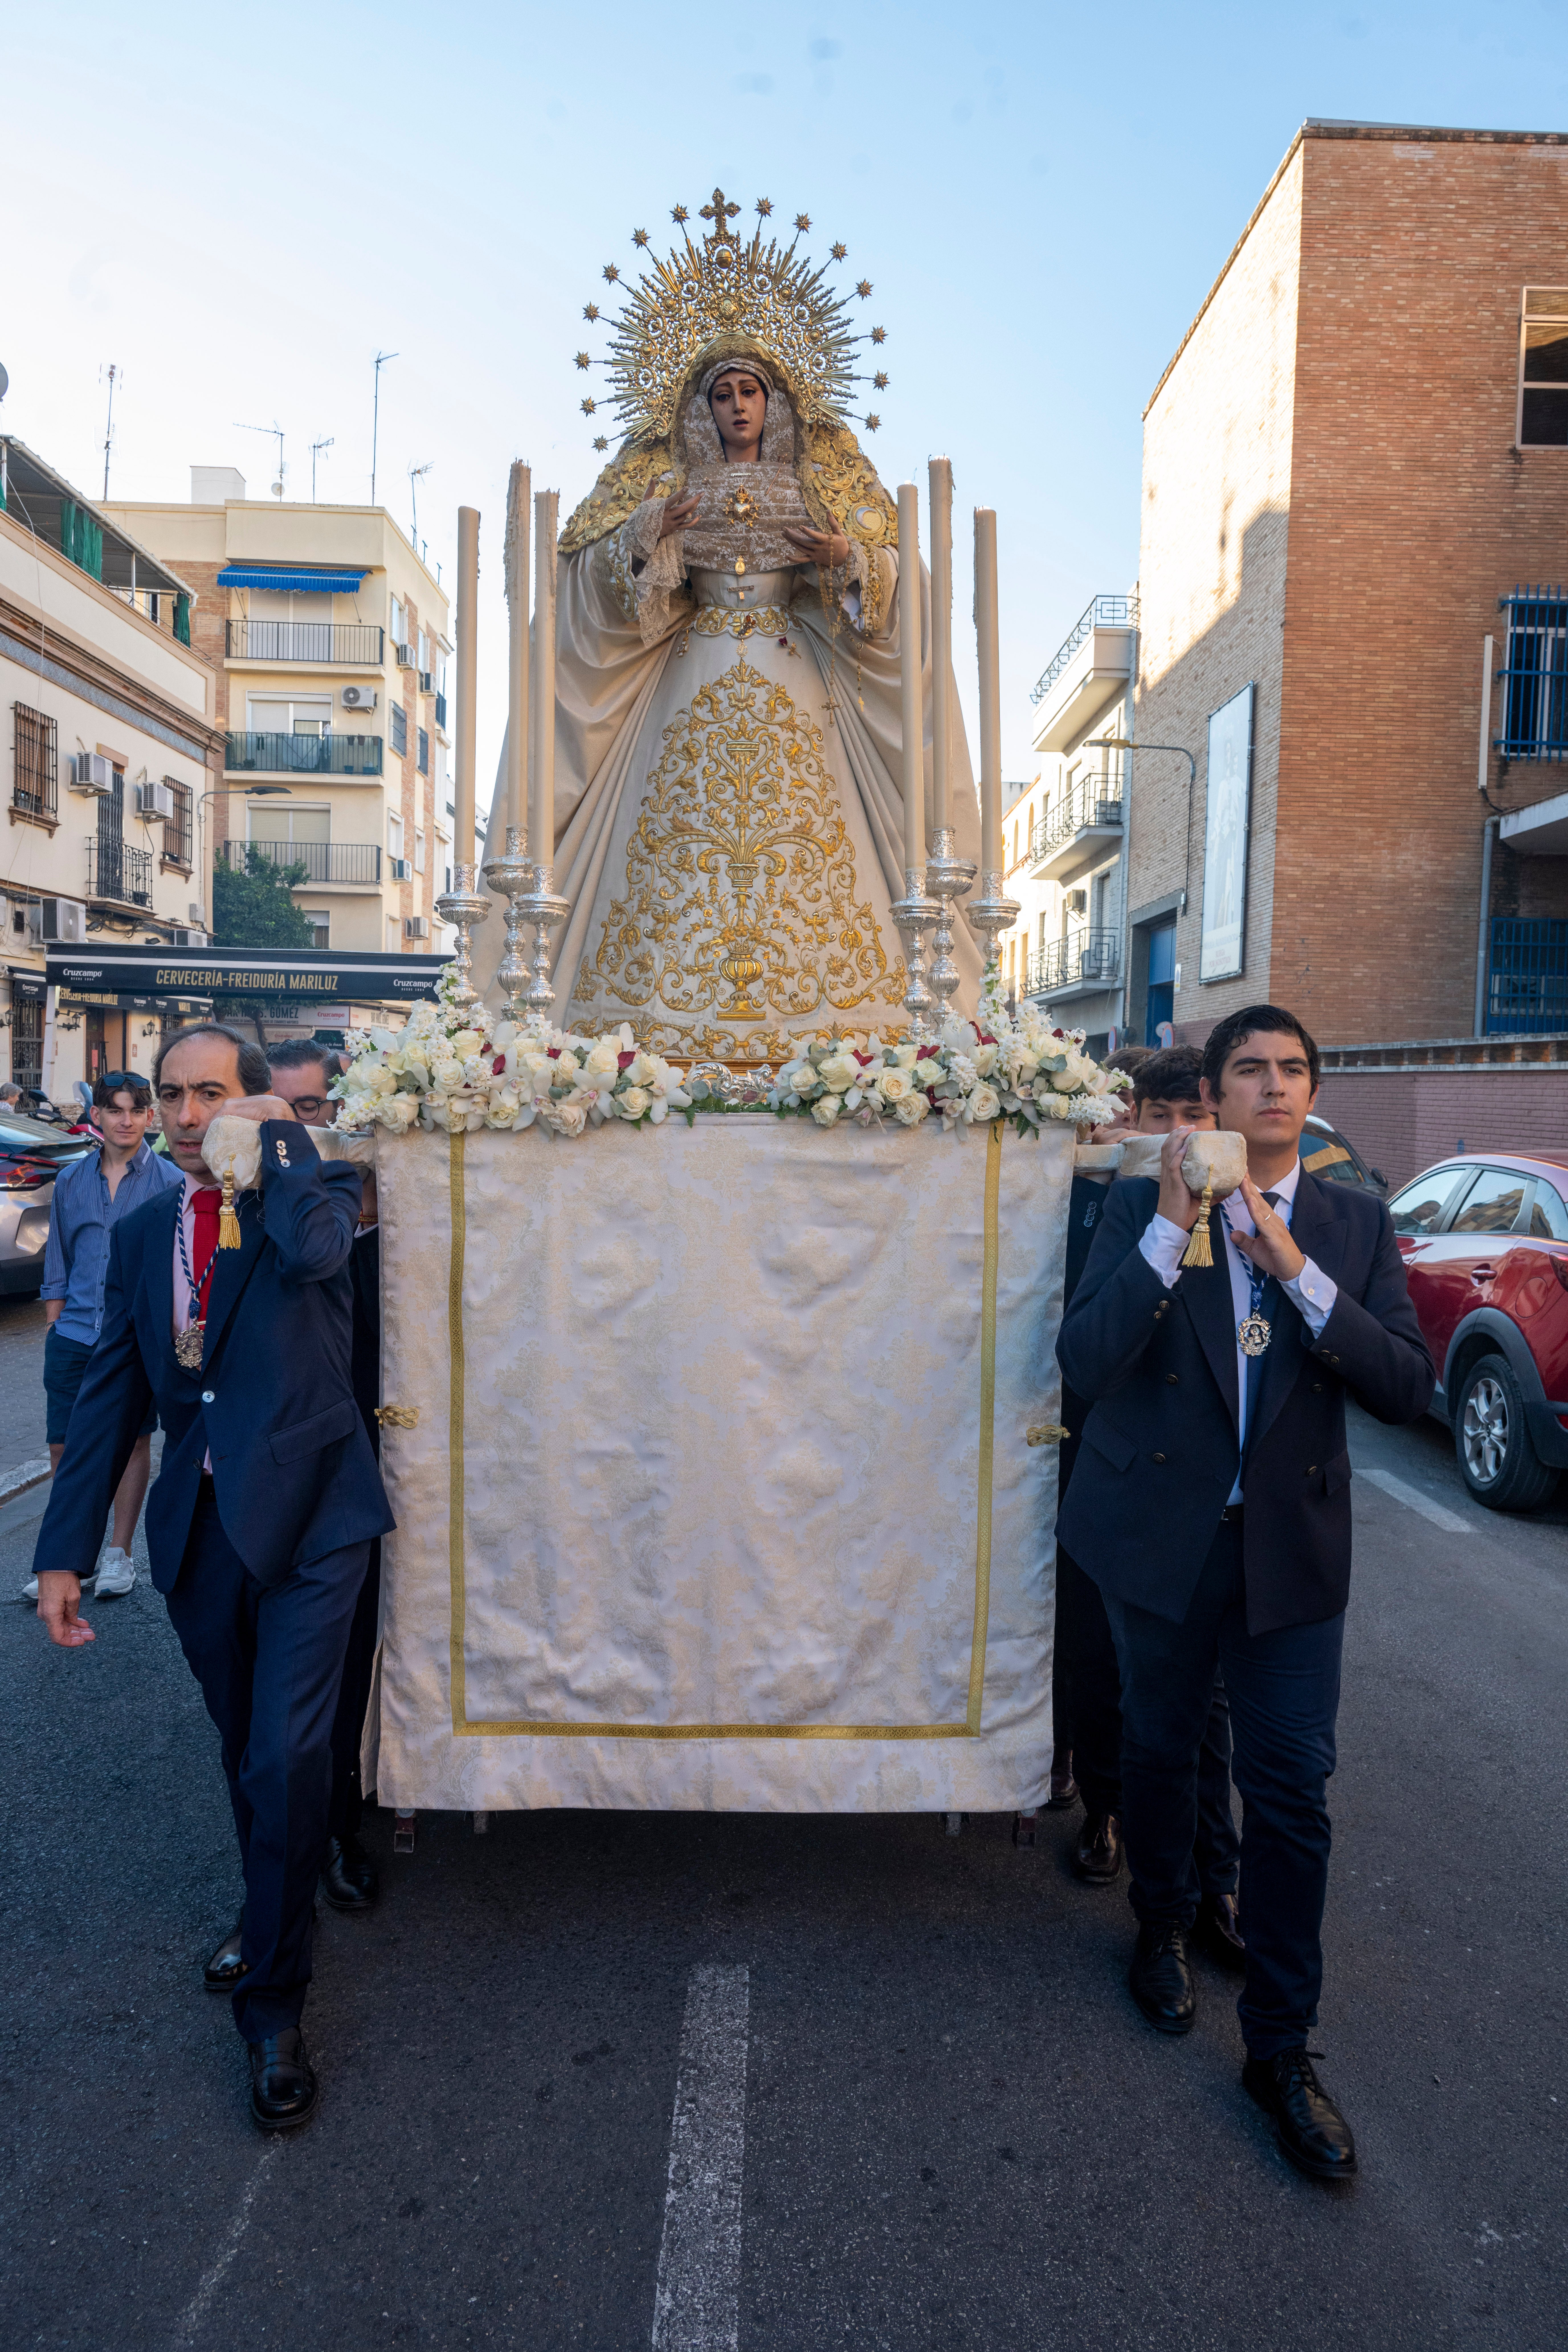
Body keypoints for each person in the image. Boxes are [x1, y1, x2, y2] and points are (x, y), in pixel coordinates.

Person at [1058, 1006, 1433, 2180]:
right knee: (1162, 1751)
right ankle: (1162, 1926)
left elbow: (1400, 1385)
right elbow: (1079, 1363)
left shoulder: (1349, 1224)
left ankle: (1279, 2045)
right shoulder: (1135, 1203)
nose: (1270, 1089)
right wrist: (1170, 1231)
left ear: (1308, 1096)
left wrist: (1293, 1270)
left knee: (1291, 1793)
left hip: (1287, 1555)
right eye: (1248, 1072)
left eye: (1290, 1072)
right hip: (1160, 1542)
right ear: (1212, 1096)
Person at [471, 210, 988, 1054]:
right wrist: (645, 540)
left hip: (797, 684)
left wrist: (848, 561)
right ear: (701, 407)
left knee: (808, 852)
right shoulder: (662, 484)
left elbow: (896, 593)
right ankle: (641, 1031)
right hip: (691, 672)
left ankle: (843, 1038)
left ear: (776, 401)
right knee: (679, 853)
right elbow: (592, 594)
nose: (738, 406)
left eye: (751, 392)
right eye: (723, 394)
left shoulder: (822, 480)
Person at [30, 1022, 393, 2132]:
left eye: (213, 1096)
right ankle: (271, 1907)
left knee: (289, 1752)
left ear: (252, 1102)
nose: (189, 1117)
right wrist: (64, 1549)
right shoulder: (142, 1232)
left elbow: (325, 1260)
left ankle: (275, 2011)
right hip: (203, 1535)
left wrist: (278, 1140)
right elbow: (110, 1397)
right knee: (250, 1758)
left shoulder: (312, 1189)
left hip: (317, 1524)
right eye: (176, 1096)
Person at [1055, 1048, 1244, 1981]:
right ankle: (1104, 1804)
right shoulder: (1110, 1193)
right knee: (1102, 1660)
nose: (1177, 1136)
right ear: (1128, 1116)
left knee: (1202, 1705)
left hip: (1205, 1488)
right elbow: (1079, 1338)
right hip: (1100, 1449)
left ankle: (1217, 1880)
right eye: (1160, 1114)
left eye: (1194, 1115)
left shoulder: (1253, 1207)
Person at [257, 1037, 383, 1924]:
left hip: (378, 1476)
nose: (302, 1129)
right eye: (284, 1113)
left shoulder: (390, 1216)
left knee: (352, 1681)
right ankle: (273, 1886)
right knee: (273, 1713)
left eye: (314, 1111)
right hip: (288, 1483)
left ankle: (344, 1827)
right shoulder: (266, 1218)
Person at [23, 1071, 182, 1602]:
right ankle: (67, 1556)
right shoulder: (71, 1181)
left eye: (137, 1110)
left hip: (133, 1337)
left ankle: (118, 1555)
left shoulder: (168, 1180)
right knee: (63, 1445)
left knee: (133, 1443)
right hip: (73, 1332)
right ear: (97, 1116)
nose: (126, 1120)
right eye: (115, 1110)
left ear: (149, 1118)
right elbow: (59, 1259)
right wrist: (53, 1325)